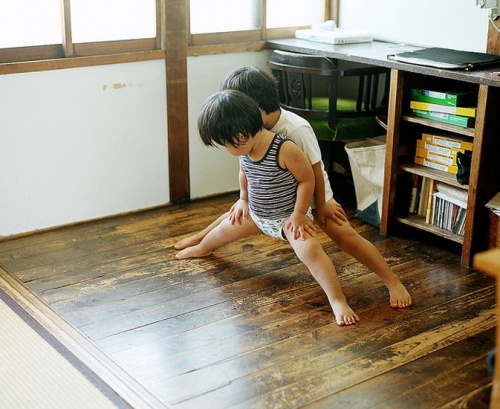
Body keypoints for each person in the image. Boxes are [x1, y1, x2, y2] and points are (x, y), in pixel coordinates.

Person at [176, 66, 412, 309]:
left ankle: (392, 281)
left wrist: (320, 206)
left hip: (312, 192)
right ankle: (201, 239)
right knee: (235, 214)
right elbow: (246, 172)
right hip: (273, 196)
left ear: (255, 108)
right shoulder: (248, 133)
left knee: (344, 235)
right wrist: (244, 198)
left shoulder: (294, 130)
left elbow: (315, 170)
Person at [176, 89, 359, 326]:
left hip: (287, 219)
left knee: (311, 253)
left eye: (226, 143)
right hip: (257, 215)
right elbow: (244, 174)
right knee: (223, 230)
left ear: (241, 135)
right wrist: (243, 200)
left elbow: (307, 180)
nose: (227, 149)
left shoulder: (285, 149)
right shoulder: (244, 151)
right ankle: (203, 248)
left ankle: (337, 299)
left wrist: (299, 214)